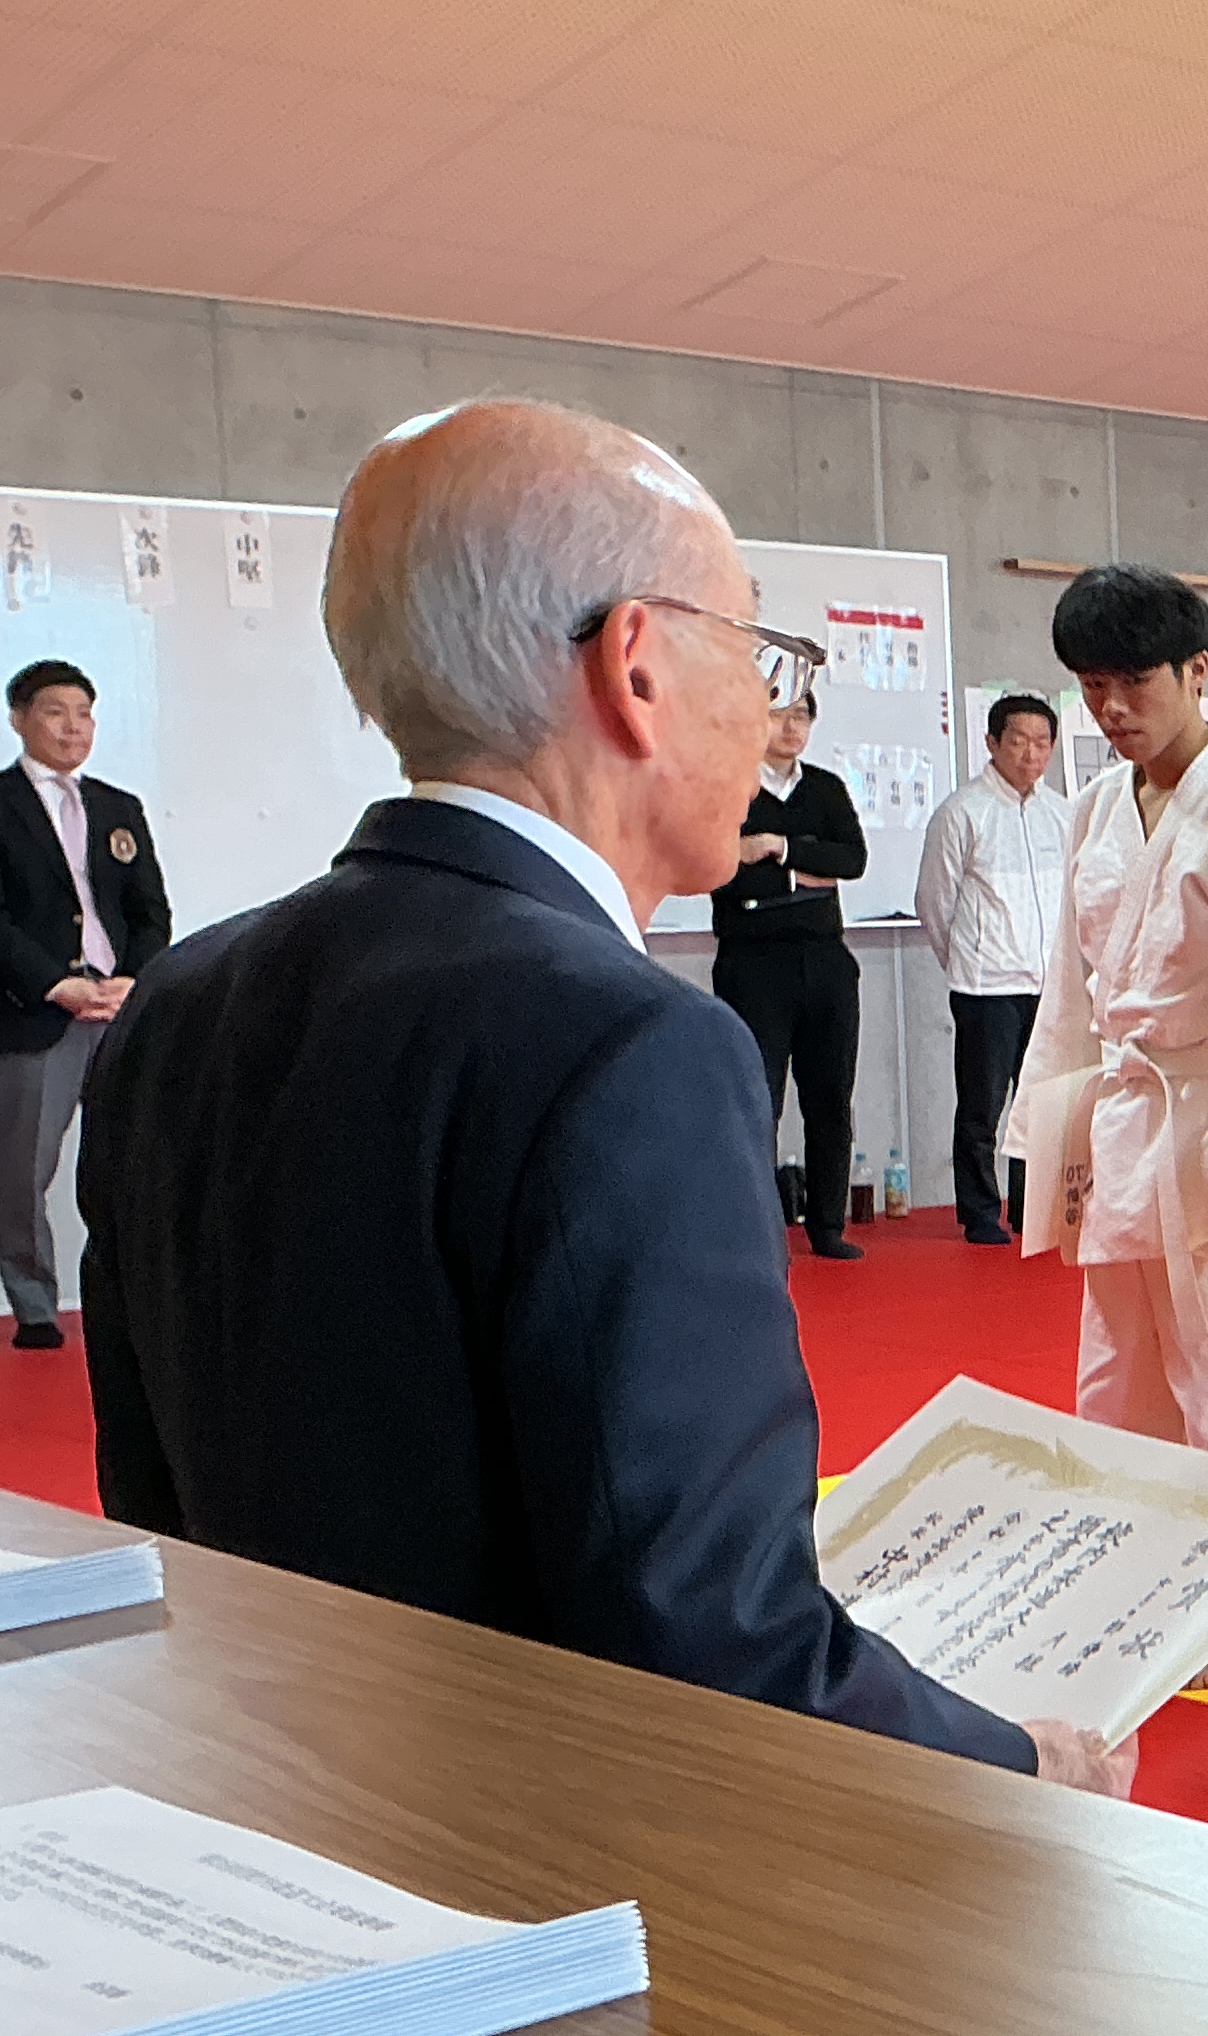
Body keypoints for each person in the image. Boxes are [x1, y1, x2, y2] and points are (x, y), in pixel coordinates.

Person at [75, 398, 1117, 1787]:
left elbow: (158, 1511)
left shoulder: (181, 1000)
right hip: (554, 1846)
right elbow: (716, 1644)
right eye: (759, 653)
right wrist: (1019, 1770)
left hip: (280, 1806)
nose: (768, 704)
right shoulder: (633, 1046)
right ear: (636, 666)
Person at [1009, 562, 1208, 1687]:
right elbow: (1068, 988)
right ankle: (1134, 1596)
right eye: (1092, 687)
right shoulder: (1095, 806)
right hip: (1123, 1109)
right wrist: (1047, 1137)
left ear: (1198, 670)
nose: (1111, 709)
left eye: (1133, 682)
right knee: (1118, 1377)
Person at [2, 658, 168, 1347]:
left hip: (120, 1011)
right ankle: (36, 1307)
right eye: (56, 712)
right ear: (19, 719)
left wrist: (135, 978)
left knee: (135, 1163)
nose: (74, 728)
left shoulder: (118, 807)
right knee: (22, 1174)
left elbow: (150, 912)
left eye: (85, 714)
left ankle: (136, 1301)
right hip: (37, 1013)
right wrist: (53, 983)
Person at [707, 685, 868, 1260]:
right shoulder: (729, 785)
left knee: (830, 1097)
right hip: (753, 963)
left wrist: (778, 850)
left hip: (825, 958)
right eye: (781, 715)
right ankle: (753, 1228)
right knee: (759, 1098)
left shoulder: (825, 788)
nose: (793, 727)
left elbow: (852, 860)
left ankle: (827, 1225)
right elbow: (722, 873)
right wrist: (802, 873)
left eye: (803, 716)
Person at [914, 689, 1070, 1245]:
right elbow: (934, 902)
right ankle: (980, 1211)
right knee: (981, 1108)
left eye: (1042, 743)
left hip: (1048, 987)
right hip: (985, 987)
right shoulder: (962, 812)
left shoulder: (1062, 814)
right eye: (1019, 741)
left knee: (1040, 1108)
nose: (1031, 754)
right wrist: (966, 960)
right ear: (992, 743)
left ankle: (1032, 1210)